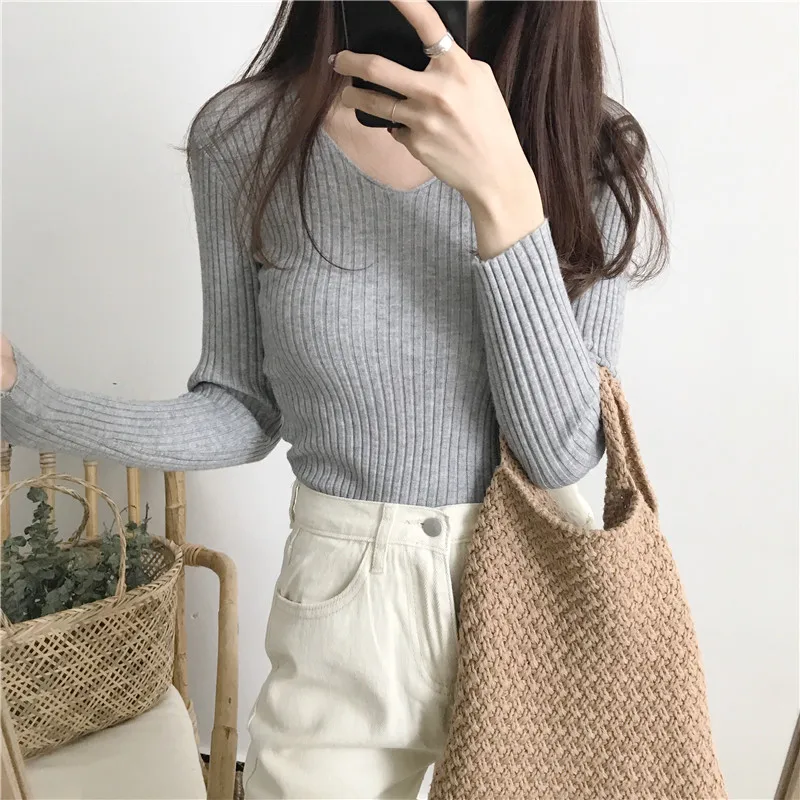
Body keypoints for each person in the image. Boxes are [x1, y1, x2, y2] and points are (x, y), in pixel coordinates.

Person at [0, 1, 668, 797]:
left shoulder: (587, 144)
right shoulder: (246, 136)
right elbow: (241, 409)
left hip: (535, 595)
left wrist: (501, 190)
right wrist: (27, 401)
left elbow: (559, 454)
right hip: (345, 599)